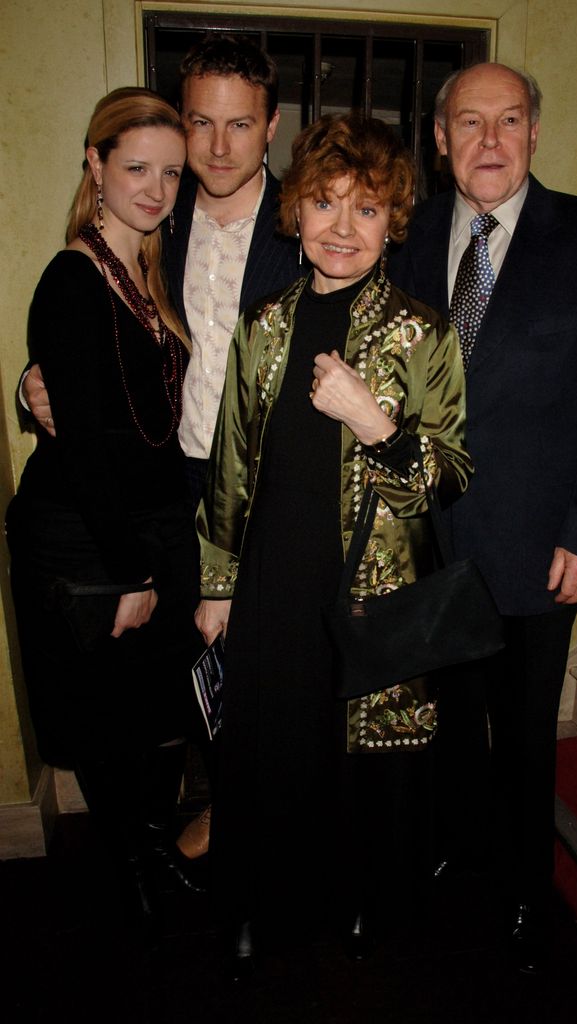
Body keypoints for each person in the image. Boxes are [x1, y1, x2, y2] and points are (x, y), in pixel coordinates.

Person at [194, 112, 473, 973]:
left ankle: (359, 897)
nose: (342, 228)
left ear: (393, 219)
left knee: (362, 757)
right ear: (296, 212)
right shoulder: (265, 325)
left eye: (364, 208)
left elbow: (450, 475)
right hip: (274, 574)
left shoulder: (422, 333)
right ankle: (255, 900)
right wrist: (215, 581)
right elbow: (232, 463)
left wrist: (376, 424)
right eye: (323, 204)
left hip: (374, 582)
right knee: (268, 746)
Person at [389, 62, 577, 972]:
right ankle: (459, 856)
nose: (488, 141)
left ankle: (527, 896)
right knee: (449, 719)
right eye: (469, 122)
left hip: (541, 548)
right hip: (428, 543)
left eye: (507, 121)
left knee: (526, 734)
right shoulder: (406, 238)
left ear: (534, 133)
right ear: (439, 136)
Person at [21, 33, 301, 858]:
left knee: (272, 658)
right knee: (189, 663)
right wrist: (32, 390)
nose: (216, 146)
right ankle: (214, 799)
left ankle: (274, 810)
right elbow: (95, 353)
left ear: (271, 127)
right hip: (172, 490)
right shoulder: (153, 230)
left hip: (275, 487)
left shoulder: (307, 226)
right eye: (199, 124)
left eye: (239, 125)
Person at [5, 88, 203, 933]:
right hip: (88, 543)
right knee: (113, 726)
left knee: (160, 718)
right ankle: (133, 868)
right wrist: (129, 573)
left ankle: (154, 847)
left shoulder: (148, 272)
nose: (155, 189)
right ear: (94, 165)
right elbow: (83, 449)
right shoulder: (72, 278)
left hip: (146, 529)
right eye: (135, 169)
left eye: (169, 172)